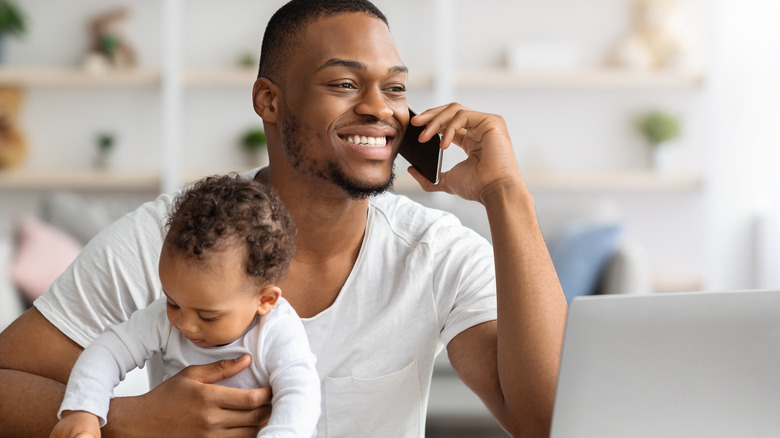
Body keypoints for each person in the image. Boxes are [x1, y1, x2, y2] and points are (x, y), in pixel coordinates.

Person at [0, 0, 568, 437]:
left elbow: (546, 421)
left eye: (394, 87)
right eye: (344, 84)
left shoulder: (434, 253)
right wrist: (126, 419)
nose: (379, 106)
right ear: (269, 102)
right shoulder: (167, 239)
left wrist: (506, 194)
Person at [49, 175, 320, 438]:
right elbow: (108, 350)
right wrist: (83, 410)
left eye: (208, 316)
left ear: (264, 301)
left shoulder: (276, 330)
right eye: (172, 302)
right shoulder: (165, 319)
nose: (185, 324)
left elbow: (300, 393)